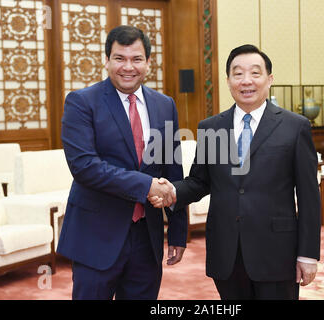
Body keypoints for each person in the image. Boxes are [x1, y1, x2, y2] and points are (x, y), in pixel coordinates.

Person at [151, 44, 321, 300]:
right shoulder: (211, 127)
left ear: (269, 79)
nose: (246, 81)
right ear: (228, 80)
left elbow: (309, 196)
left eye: (255, 73)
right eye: (238, 74)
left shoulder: (295, 127)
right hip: (226, 252)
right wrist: (172, 191)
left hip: (277, 252)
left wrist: (308, 254)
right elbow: (199, 182)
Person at [57, 25, 188, 300]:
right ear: (106, 61)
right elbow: (85, 167)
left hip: (147, 239)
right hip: (96, 237)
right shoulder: (81, 102)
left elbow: (172, 170)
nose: (128, 67)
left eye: (136, 59)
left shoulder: (165, 105)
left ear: (148, 63)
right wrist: (147, 185)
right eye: (119, 58)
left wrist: (177, 232)